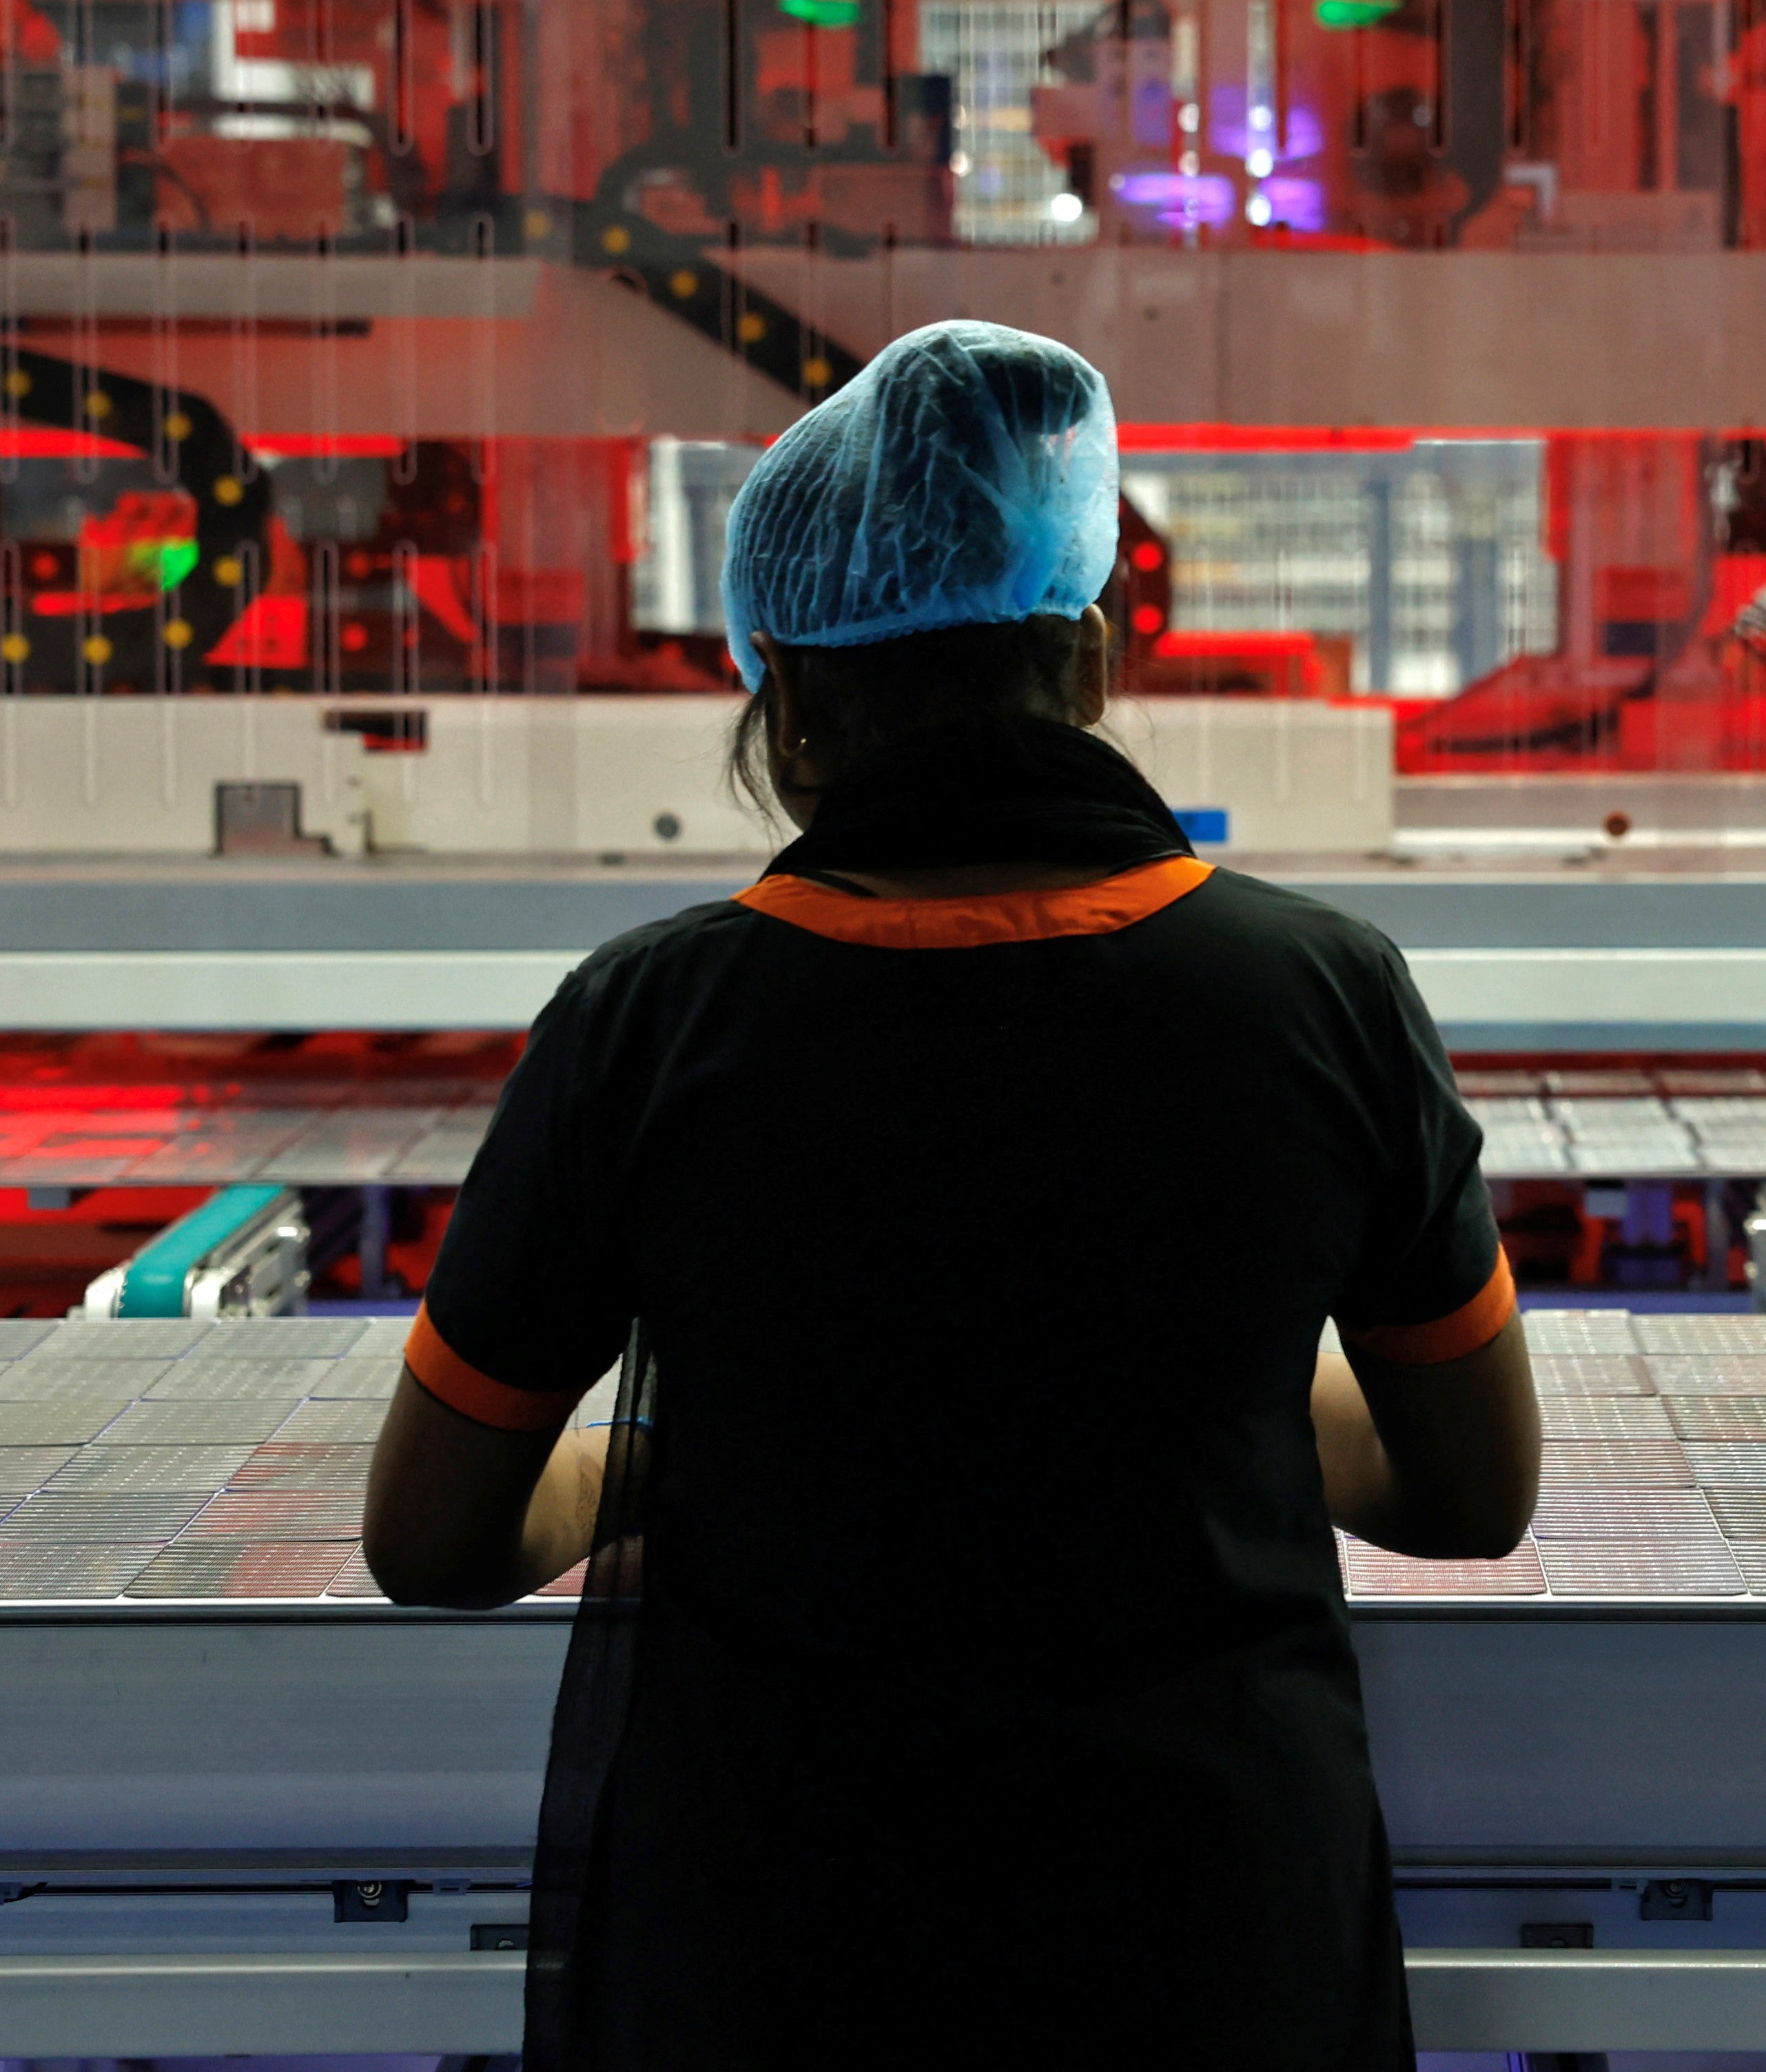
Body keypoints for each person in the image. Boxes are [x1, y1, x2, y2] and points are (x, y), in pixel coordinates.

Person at [363, 318, 1541, 2072]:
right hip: (1212, 1962)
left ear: (784, 689)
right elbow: (1472, 1494)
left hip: (785, 1965)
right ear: (1092, 645)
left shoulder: (651, 1024)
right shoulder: (1320, 995)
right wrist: (1195, 1383)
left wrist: (705, 1442)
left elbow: (437, 1540)